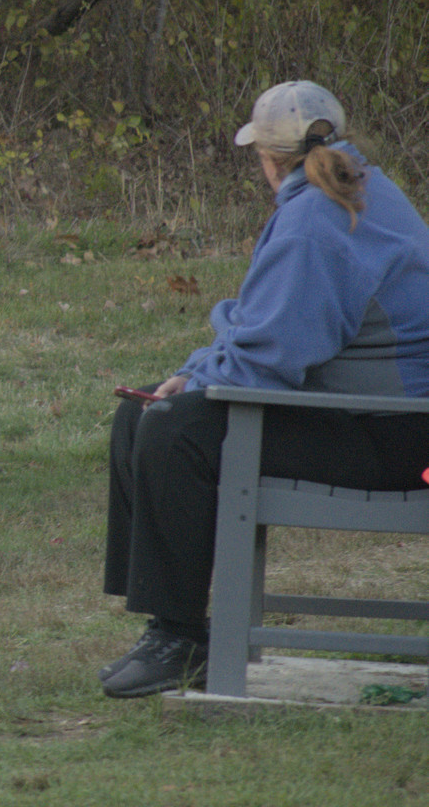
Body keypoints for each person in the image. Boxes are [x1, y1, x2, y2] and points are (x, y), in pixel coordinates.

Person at [101, 80, 429, 698]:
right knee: (141, 413)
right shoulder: (357, 186)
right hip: (382, 418)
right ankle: (163, 623)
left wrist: (198, 381)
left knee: (172, 428)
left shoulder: (314, 220)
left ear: (267, 159)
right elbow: (265, 326)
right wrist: (197, 372)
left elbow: (271, 356)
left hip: (397, 433)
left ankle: (180, 638)